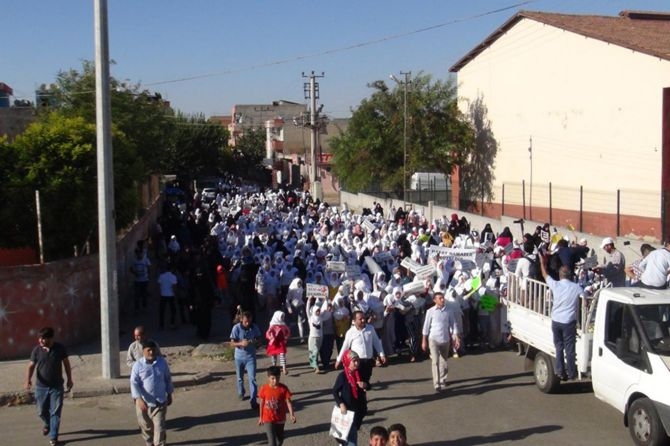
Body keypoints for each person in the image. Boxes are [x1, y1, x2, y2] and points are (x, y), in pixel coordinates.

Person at [24, 327, 73, 446]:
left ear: (50, 338)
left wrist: (69, 379)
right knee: (41, 411)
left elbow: (66, 363)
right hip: (41, 387)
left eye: (43, 338)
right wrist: (27, 380)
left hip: (56, 387)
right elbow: (31, 366)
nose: (40, 340)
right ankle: (48, 424)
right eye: (39, 338)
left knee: (55, 412)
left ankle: (53, 437)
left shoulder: (60, 348)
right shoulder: (36, 350)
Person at [540, 254, 582, 381]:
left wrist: (542, 262)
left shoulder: (556, 285)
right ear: (570, 276)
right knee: (569, 349)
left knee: (559, 347)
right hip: (569, 321)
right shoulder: (577, 288)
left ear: (560, 275)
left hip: (556, 320)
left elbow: (544, 274)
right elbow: (585, 297)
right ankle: (571, 373)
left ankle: (559, 370)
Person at [130, 340, 174, 446]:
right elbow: (133, 382)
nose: (151, 352)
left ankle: (159, 442)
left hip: (160, 402)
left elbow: (167, 378)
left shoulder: (162, 362)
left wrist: (169, 393)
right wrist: (138, 399)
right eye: (148, 350)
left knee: (159, 427)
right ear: (143, 351)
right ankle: (149, 442)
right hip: (143, 403)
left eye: (153, 350)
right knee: (145, 426)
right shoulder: (138, 365)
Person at [335, 310, 387, 387]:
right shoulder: (350, 332)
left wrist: (382, 354)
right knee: (357, 382)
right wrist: (339, 360)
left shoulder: (370, 328)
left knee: (366, 381)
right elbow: (345, 347)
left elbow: (376, 342)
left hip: (368, 361)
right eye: (360, 319)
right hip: (356, 362)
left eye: (364, 318)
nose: (363, 320)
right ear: (354, 321)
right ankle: (358, 397)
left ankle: (362, 396)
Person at [421, 292, 460, 391]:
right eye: (440, 298)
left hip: (445, 339)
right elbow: (426, 327)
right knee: (435, 361)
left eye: (443, 298)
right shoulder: (430, 311)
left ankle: (442, 379)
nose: (442, 300)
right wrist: (424, 341)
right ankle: (436, 383)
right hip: (433, 339)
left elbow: (453, 325)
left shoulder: (449, 311)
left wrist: (456, 337)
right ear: (435, 300)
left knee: (444, 362)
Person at [333, 350, 368, 446]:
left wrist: (365, 385)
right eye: (354, 361)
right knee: (351, 438)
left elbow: (368, 385)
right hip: (347, 411)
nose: (357, 363)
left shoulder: (359, 374)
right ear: (348, 361)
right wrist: (341, 403)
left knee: (349, 434)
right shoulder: (342, 376)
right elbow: (335, 391)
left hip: (358, 409)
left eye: (358, 361)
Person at [231, 310, 263, 410]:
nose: (247, 323)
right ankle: (241, 392)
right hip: (239, 357)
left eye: (249, 321)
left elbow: (259, 341)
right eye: (245, 322)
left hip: (250, 357)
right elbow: (232, 343)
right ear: (241, 320)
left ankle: (253, 401)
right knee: (240, 377)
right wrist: (241, 343)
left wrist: (255, 342)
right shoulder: (236, 328)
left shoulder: (254, 327)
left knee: (252, 379)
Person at [257, 366, 297, 446]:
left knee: (280, 440)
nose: (275, 381)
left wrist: (292, 414)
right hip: (268, 418)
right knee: (272, 443)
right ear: (268, 377)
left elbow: (288, 402)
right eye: (273, 378)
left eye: (277, 378)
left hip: (280, 418)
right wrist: (261, 417)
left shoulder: (283, 389)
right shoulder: (264, 388)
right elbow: (261, 403)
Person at [266, 311, 291, 375]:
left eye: (283, 317)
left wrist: (286, 337)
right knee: (274, 355)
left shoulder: (283, 324)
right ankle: (274, 366)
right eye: (281, 317)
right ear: (277, 316)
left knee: (282, 354)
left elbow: (288, 331)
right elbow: (268, 333)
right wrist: (270, 337)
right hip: (274, 342)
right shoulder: (272, 324)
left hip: (281, 342)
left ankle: (284, 368)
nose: (282, 318)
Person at [130, 246, 151, 313]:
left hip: (145, 280)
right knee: (137, 295)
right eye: (137, 254)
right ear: (136, 254)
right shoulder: (134, 260)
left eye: (140, 253)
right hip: (137, 281)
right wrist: (134, 273)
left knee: (144, 295)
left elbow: (149, 268)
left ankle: (144, 308)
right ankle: (137, 309)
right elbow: (130, 269)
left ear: (142, 253)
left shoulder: (146, 259)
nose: (139, 255)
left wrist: (148, 277)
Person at [157, 264, 178, 330]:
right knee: (173, 310)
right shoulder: (173, 277)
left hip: (163, 295)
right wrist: (175, 295)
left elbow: (158, 286)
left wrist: (158, 294)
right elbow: (174, 287)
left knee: (162, 310)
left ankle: (161, 325)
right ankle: (172, 324)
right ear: (172, 269)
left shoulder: (161, 276)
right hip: (171, 295)